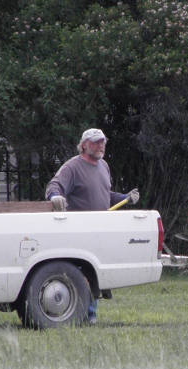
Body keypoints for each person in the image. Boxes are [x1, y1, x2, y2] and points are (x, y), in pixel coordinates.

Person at [45, 128, 139, 324]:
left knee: (95, 271)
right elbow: (53, 187)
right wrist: (55, 198)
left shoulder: (103, 166)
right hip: (78, 230)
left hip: (100, 230)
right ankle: (84, 314)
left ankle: (91, 315)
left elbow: (107, 196)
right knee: (82, 272)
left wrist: (125, 198)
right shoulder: (72, 167)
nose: (100, 146)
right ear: (85, 144)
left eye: (102, 142)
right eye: (96, 142)